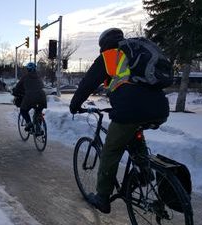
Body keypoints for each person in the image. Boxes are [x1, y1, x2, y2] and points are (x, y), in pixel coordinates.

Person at [69, 28, 169, 214]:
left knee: (110, 150)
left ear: (104, 45)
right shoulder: (136, 55)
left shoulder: (109, 56)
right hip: (159, 108)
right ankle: (144, 173)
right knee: (133, 136)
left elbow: (88, 83)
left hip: (131, 109)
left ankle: (102, 197)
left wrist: (75, 104)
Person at [12, 62, 47, 132]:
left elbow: (18, 87)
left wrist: (15, 92)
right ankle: (38, 128)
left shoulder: (25, 77)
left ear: (28, 69)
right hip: (42, 97)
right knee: (38, 112)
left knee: (23, 110)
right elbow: (42, 86)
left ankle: (29, 123)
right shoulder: (39, 77)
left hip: (30, 98)